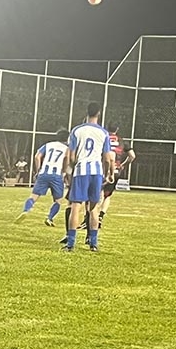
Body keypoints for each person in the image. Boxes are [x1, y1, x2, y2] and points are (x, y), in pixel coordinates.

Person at [62, 102, 112, 252]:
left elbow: (71, 156)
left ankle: (71, 244)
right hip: (96, 172)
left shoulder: (77, 130)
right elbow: (107, 158)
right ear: (99, 113)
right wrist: (107, 173)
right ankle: (93, 244)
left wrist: (71, 169)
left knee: (76, 206)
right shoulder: (104, 133)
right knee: (94, 208)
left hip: (81, 171)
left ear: (87, 112)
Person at [17, 129, 69, 225]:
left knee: (34, 196)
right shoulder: (66, 148)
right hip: (56, 175)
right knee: (58, 200)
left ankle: (26, 210)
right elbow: (66, 159)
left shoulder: (48, 145)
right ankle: (49, 218)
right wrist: (64, 172)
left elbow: (37, 156)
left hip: (44, 173)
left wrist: (38, 170)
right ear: (67, 138)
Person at [97, 122, 135, 229]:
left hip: (101, 168)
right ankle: (100, 216)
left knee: (98, 193)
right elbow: (132, 156)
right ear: (117, 129)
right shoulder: (122, 141)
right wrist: (123, 164)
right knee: (107, 196)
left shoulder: (103, 138)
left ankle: (92, 216)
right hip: (116, 170)